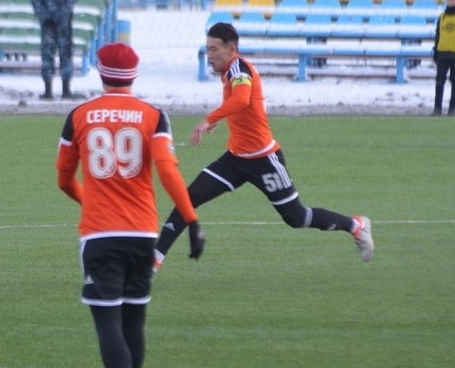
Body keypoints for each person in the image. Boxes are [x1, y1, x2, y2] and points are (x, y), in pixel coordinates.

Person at [55, 42, 205, 368]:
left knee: (108, 322)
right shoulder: (154, 115)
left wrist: (90, 201)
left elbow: (64, 178)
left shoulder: (79, 115)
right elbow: (168, 171)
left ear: (100, 72)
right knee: (134, 320)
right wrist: (191, 220)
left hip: (100, 234)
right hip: (142, 234)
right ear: (134, 75)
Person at [155, 23, 374, 269]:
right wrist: (221, 116)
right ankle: (154, 261)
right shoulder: (229, 71)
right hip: (235, 160)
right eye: (208, 49)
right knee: (187, 198)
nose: (210, 55)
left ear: (231, 49)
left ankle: (356, 225)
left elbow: (242, 98)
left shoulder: (239, 67)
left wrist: (209, 119)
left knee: (297, 217)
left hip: (264, 159)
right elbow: (240, 104)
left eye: (214, 49)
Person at [31, 0, 76, 100]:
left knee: (65, 54)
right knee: (47, 56)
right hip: (48, 24)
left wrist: (59, 16)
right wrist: (45, 16)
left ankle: (66, 89)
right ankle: (48, 90)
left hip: (63, 24)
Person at [432, 0, 455, 116]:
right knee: (439, 81)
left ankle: (452, 108)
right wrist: (435, 50)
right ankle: (437, 108)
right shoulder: (442, 17)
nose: (450, 2)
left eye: (453, 0)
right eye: (449, 0)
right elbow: (438, 35)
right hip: (443, 53)